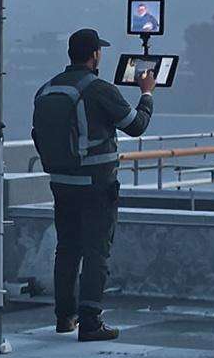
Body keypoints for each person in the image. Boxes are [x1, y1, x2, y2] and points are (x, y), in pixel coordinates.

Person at [30, 27, 154, 341]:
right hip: (96, 184)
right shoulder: (99, 89)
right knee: (97, 251)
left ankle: (64, 317)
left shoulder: (47, 89)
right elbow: (136, 125)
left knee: (67, 249)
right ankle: (90, 322)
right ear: (95, 55)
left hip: (61, 181)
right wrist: (147, 93)